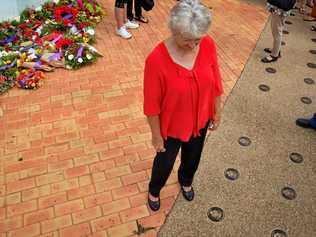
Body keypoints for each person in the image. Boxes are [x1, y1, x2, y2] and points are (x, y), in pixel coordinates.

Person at [143, 0, 223, 211]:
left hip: (201, 118)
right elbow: (151, 104)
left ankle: (186, 180)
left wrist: (217, 109)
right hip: (171, 126)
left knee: (193, 156)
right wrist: (156, 135)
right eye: (188, 40)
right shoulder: (156, 60)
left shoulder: (207, 44)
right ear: (173, 30)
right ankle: (154, 189)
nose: (194, 45)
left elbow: (216, 80)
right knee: (164, 162)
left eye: (197, 39)